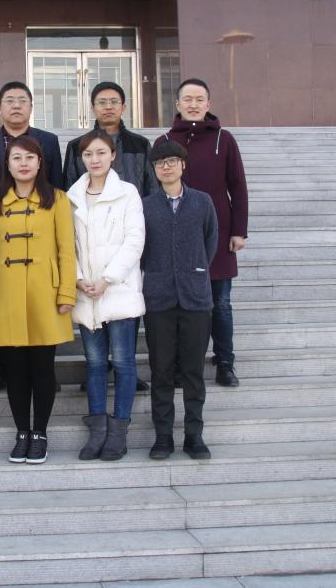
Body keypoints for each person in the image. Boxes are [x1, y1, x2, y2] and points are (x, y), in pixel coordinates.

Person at [0, 81, 64, 395]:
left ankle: (44, 374)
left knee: (39, 312)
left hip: (38, 227)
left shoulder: (48, 141)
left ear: (31, 106)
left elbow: (56, 183)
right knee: (1, 310)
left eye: (22, 100)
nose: (16, 105)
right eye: (9, 100)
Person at [0, 136, 76, 465]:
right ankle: (21, 432)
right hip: (6, 294)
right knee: (14, 370)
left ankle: (40, 433)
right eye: (16, 158)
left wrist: (66, 292)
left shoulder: (58, 199)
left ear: (40, 163)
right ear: (7, 165)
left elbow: (67, 250)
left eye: (29, 157)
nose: (23, 163)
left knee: (42, 368)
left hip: (45, 294)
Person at [63, 80, 156, 394]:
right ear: (92, 108)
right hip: (89, 232)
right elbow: (68, 188)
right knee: (94, 329)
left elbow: (150, 187)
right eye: (101, 102)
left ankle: (125, 370)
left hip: (127, 232)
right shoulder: (76, 146)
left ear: (124, 107)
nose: (108, 107)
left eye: (114, 101)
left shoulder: (140, 144)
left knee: (125, 311)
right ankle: (98, 372)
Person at [158, 78, 248, 388]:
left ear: (208, 104)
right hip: (177, 237)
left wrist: (238, 231)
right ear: (178, 104)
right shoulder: (165, 140)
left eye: (199, 99)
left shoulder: (225, 139)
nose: (193, 104)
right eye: (188, 99)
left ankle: (225, 363)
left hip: (218, 234)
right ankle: (183, 365)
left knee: (220, 303)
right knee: (181, 306)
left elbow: (238, 187)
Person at [67, 131, 145, 461]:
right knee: (95, 363)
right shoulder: (71, 197)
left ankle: (119, 430)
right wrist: (78, 278)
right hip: (87, 293)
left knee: (124, 362)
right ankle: (98, 429)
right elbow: (65, 245)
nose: (94, 159)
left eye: (101, 153)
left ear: (113, 155)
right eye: (88, 154)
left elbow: (134, 240)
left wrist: (108, 278)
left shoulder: (127, 192)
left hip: (118, 290)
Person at [142, 140, 218, 461]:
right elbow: (140, 249)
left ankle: (193, 435)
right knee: (161, 370)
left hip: (195, 298)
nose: (166, 167)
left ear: (183, 164)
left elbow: (210, 242)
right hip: (158, 299)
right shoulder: (145, 205)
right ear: (154, 169)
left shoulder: (202, 202)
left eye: (172, 161)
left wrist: (194, 270)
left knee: (193, 371)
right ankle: (162, 436)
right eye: (160, 163)